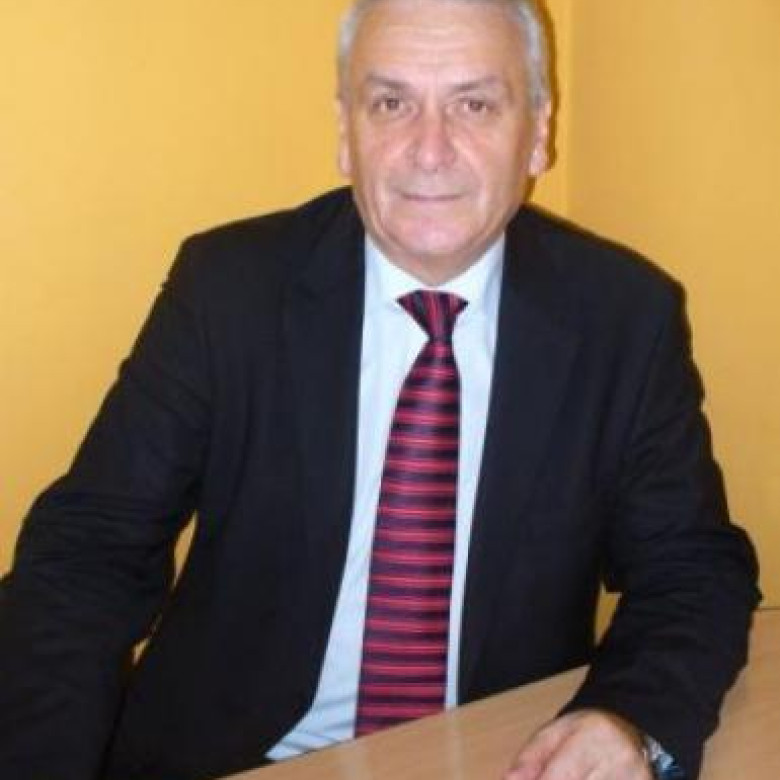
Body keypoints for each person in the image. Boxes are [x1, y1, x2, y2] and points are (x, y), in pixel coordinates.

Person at [0, 1, 760, 779]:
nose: (429, 150)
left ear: (537, 132)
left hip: (494, 756)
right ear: (346, 130)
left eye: (475, 104)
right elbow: (85, 556)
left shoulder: (623, 318)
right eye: (392, 103)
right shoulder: (229, 290)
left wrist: (630, 717)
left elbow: (692, 568)